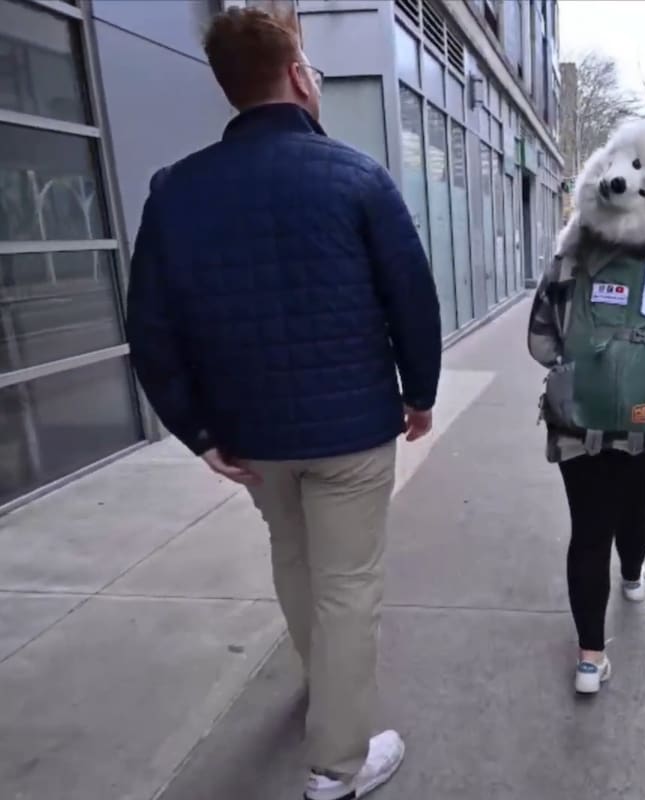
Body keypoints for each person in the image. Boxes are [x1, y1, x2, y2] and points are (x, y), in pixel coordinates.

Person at [124, 8, 441, 799]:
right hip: (352, 434)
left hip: (252, 437)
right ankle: (338, 765)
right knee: (349, 584)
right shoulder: (357, 177)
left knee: (295, 562)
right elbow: (412, 298)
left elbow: (151, 327)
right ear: (299, 76)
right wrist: (420, 393)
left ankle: (323, 684)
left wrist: (196, 431)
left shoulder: (175, 191)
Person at [529, 118, 645, 695]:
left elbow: (540, 343)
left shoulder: (567, 263)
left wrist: (587, 368)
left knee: (589, 529)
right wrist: (641, 377)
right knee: (634, 501)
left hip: (577, 425)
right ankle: (632, 576)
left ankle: (590, 659)